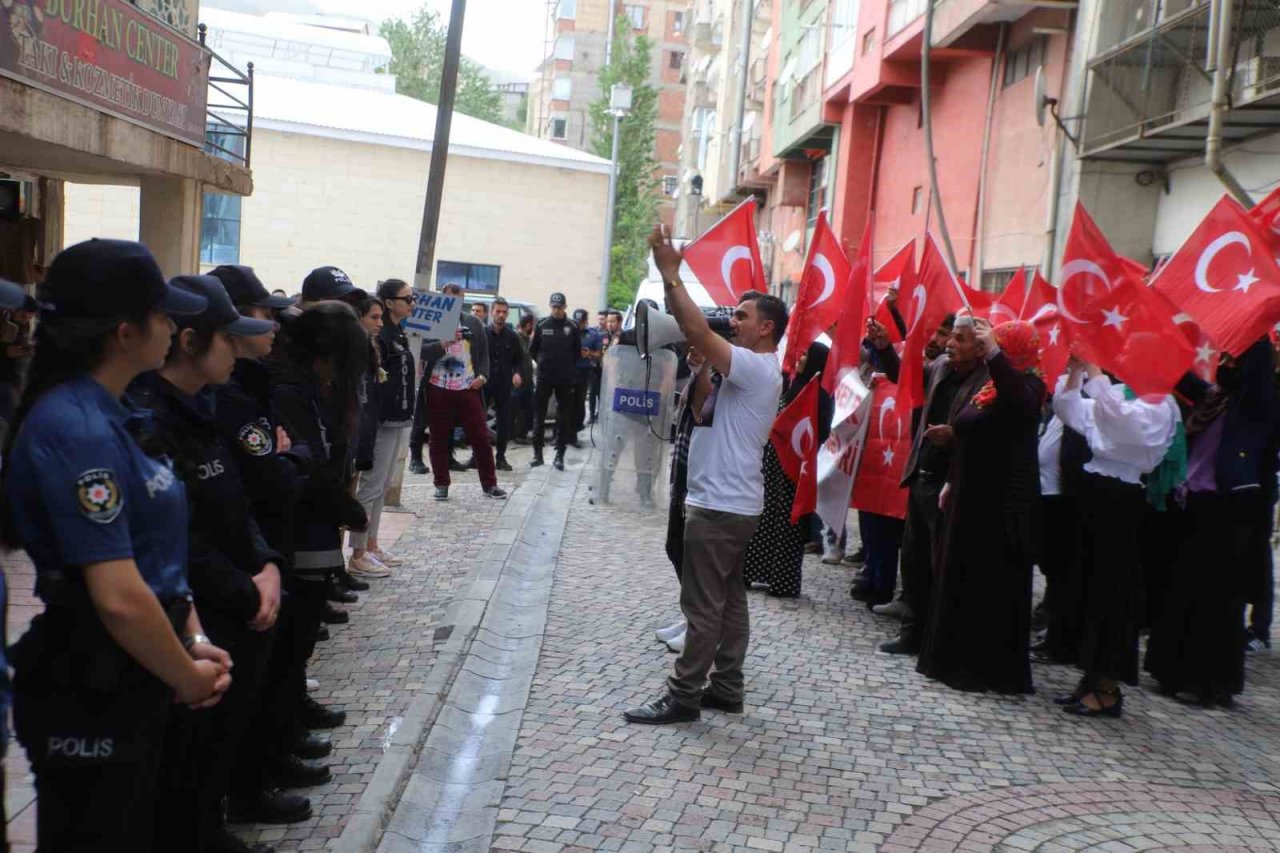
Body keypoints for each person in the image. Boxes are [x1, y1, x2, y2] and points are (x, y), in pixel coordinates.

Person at [1, 239, 230, 849]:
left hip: (133, 669)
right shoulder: (77, 429)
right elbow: (119, 595)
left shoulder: (115, 414)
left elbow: (158, 558)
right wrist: (186, 675)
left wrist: (195, 640)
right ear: (125, 332)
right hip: (90, 678)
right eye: (163, 315)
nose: (174, 326)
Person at [126, 275, 282, 853]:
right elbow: (173, 537)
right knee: (183, 764)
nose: (237, 350)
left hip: (236, 599)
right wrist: (245, 589)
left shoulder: (200, 407)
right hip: (198, 612)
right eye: (228, 338)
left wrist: (265, 564)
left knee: (214, 750)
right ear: (189, 341)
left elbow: (234, 503)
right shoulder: (145, 419)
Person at [624, 225, 786, 725]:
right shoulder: (739, 372)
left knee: (702, 606)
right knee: (730, 601)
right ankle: (728, 687)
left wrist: (673, 276)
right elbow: (701, 413)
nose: (731, 320)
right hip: (730, 503)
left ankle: (684, 694)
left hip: (719, 507)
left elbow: (696, 329)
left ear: (766, 328)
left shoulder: (758, 367)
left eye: (742, 315)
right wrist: (702, 370)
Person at [208, 265, 317, 827]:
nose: (272, 324)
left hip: (263, 554)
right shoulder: (222, 396)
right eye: (260, 314)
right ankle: (242, 791)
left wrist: (287, 454)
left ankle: (259, 772)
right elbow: (266, 474)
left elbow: (286, 456)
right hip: (232, 574)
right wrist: (288, 456)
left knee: (263, 680)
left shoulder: (251, 382)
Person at [265, 303, 369, 780]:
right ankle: (274, 744)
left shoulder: (310, 386)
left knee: (300, 635)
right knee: (288, 640)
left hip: (315, 520)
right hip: (296, 524)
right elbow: (301, 458)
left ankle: (288, 718)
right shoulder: (286, 389)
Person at [1145, 339, 1280, 706]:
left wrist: (1251, 336)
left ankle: (1210, 683)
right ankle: (1173, 672)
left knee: (1216, 599)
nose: (1225, 364)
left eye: (1233, 360)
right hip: (1195, 503)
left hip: (1229, 509)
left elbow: (1256, 377)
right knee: (1184, 590)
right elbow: (1185, 381)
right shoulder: (1216, 399)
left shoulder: (1257, 405)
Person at [916, 320, 1043, 694]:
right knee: (958, 576)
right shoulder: (990, 385)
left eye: (999, 344)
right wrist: (952, 476)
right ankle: (950, 659)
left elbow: (1017, 403)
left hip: (999, 502)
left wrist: (995, 355)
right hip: (969, 494)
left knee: (988, 584)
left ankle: (984, 669)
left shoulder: (1029, 385)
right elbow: (970, 432)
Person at [1052, 357, 1178, 717]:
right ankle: (1090, 677)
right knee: (1089, 590)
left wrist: (1095, 374)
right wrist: (1076, 372)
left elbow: (1123, 423)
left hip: (1121, 498)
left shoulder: (1159, 403)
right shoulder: (1121, 393)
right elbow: (1069, 409)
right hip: (1096, 492)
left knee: (1112, 593)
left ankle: (1107, 685)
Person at [875, 313, 985, 656]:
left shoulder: (987, 380)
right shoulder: (939, 367)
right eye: (950, 336)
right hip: (921, 477)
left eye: (960, 339)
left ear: (980, 348)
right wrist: (883, 348)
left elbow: (989, 429)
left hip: (952, 483)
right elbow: (906, 378)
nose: (950, 344)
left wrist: (956, 436)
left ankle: (938, 641)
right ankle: (911, 633)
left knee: (942, 566)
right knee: (914, 561)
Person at [742, 342, 831, 599]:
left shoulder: (819, 393)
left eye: (806, 355)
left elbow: (820, 431)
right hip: (774, 461)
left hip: (795, 466)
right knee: (767, 515)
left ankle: (782, 581)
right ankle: (756, 571)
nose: (800, 358)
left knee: (788, 522)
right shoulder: (791, 382)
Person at [350, 279, 418, 578]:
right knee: (371, 486)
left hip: (397, 418)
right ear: (390, 301)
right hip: (381, 419)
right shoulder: (383, 336)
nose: (412, 303)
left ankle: (373, 545)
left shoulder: (399, 333)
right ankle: (358, 552)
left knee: (381, 486)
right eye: (407, 298)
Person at [422, 283, 506, 501]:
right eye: (451, 299)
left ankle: (490, 484)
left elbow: (484, 354)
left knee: (480, 436)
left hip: (468, 387)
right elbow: (422, 351)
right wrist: (443, 343)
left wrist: (483, 377)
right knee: (438, 437)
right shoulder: (432, 321)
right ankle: (441, 483)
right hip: (438, 386)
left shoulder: (473, 322)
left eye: (459, 299)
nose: (455, 304)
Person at [529, 293, 580, 470]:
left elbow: (577, 353)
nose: (556, 310)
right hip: (545, 377)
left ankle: (559, 455)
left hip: (564, 379)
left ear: (565, 307)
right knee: (539, 417)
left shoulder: (572, 327)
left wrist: (568, 370)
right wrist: (543, 364)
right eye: (553, 307)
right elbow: (533, 350)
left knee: (562, 417)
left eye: (559, 307)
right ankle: (537, 455)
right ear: (550, 307)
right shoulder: (542, 325)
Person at [487, 297, 524, 471]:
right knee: (478, 420)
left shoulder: (512, 337)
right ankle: (476, 456)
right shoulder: (483, 334)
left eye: (504, 312)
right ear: (491, 312)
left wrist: (517, 373)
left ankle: (500, 457)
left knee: (503, 422)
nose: (501, 315)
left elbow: (519, 360)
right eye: (498, 311)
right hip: (484, 382)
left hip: (503, 384)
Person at [571, 308, 602, 441]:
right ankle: (561, 435)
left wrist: (588, 354)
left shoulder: (593, 334)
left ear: (586, 321)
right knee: (564, 404)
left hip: (583, 373)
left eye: (581, 322)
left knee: (579, 403)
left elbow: (599, 354)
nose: (579, 324)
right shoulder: (568, 332)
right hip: (568, 372)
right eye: (577, 321)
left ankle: (575, 432)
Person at [513, 313, 537, 443]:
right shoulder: (516, 338)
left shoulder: (528, 338)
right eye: (532, 324)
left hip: (528, 380)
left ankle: (522, 434)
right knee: (520, 410)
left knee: (529, 409)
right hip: (518, 380)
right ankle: (517, 435)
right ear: (528, 325)